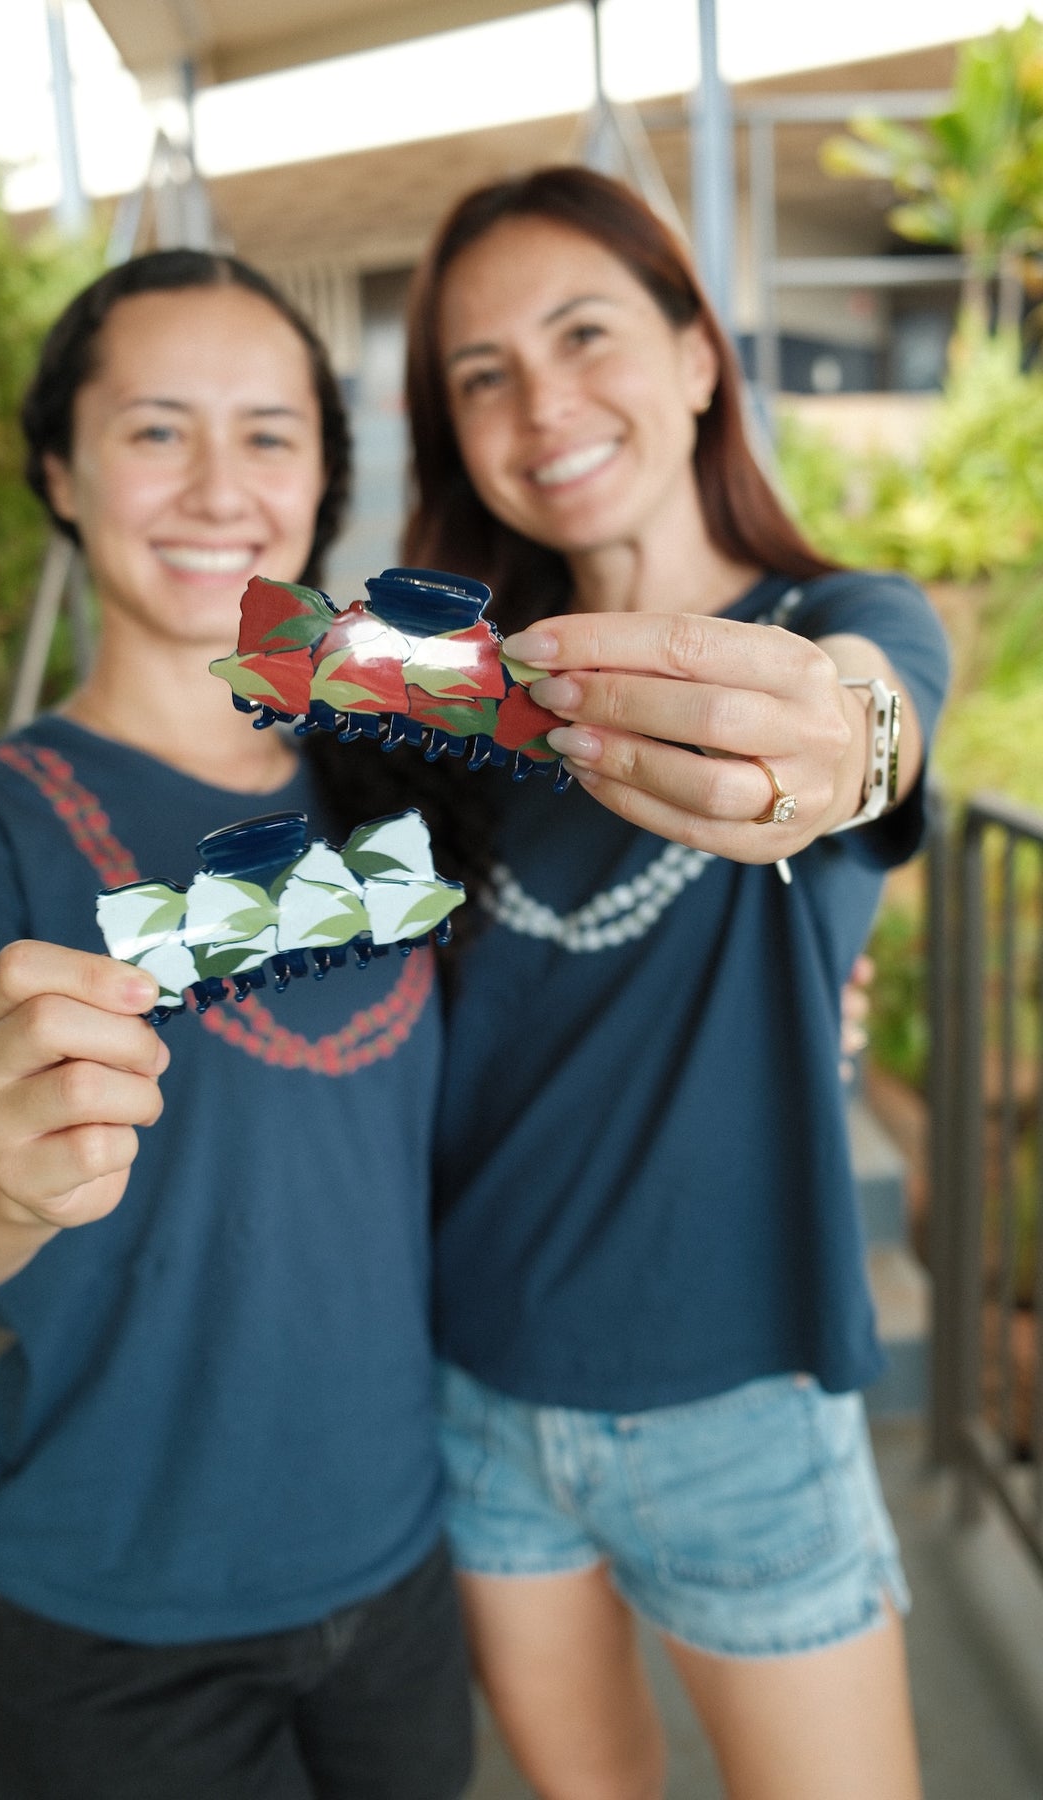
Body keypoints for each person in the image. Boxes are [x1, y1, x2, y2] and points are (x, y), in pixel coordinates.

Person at [0, 250, 473, 1800]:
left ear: (322, 478)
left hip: (398, 1570)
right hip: (101, 1625)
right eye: (154, 429)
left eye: (268, 433)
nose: (217, 487)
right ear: (60, 471)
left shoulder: (392, 768)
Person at [402, 167, 950, 1800]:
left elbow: (871, 719)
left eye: (586, 333)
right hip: (476, 1388)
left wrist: (837, 748)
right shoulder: (453, 704)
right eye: (483, 373)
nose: (541, 403)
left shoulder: (835, 622)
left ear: (701, 355)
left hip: (741, 1405)